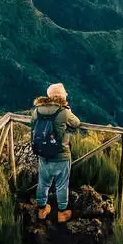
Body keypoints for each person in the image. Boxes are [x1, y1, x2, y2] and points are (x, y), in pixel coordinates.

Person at [32, 82, 81, 222]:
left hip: (42, 153)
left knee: (43, 183)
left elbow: (33, 125)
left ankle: (42, 209)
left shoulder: (37, 110)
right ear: (60, 96)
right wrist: (68, 111)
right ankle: (62, 213)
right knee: (61, 185)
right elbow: (77, 123)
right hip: (61, 155)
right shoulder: (63, 112)